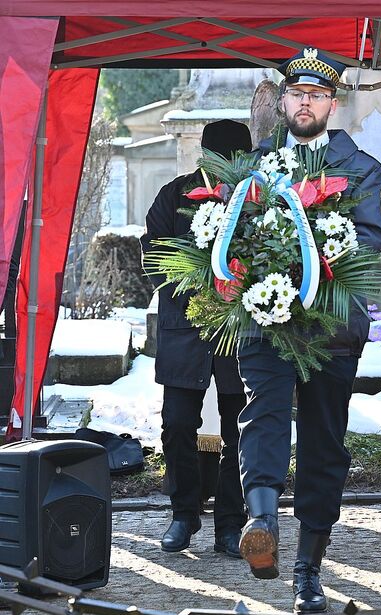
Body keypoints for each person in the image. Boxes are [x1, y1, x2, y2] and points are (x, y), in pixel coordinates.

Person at [236, 47, 381, 614]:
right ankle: (263, 521)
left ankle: (309, 569)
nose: (305, 102)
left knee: (324, 443)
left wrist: (312, 261)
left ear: (332, 103)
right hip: (266, 322)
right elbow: (231, 236)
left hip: (329, 326)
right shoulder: (254, 165)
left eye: (316, 94)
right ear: (282, 100)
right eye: (296, 93)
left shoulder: (362, 169)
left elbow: (370, 243)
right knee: (263, 416)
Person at [141, 120, 252, 558]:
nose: (224, 166)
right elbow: (154, 258)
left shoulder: (257, 202)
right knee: (177, 426)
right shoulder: (174, 196)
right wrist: (203, 280)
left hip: (239, 331)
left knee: (238, 432)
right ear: (203, 156)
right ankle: (184, 514)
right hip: (185, 331)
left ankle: (230, 522)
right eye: (217, 157)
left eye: (234, 158)